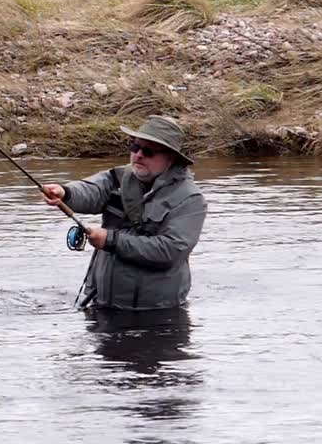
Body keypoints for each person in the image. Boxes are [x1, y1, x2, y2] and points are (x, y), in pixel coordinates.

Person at [41, 114, 206, 310]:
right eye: (135, 147)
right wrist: (65, 193)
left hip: (157, 312)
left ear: (170, 158)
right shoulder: (119, 178)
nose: (138, 155)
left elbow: (169, 251)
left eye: (148, 151)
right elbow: (92, 190)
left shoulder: (190, 199)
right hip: (102, 303)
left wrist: (111, 240)